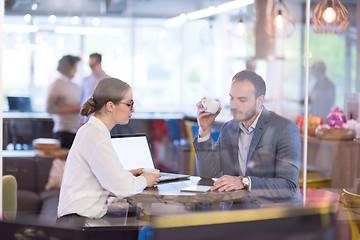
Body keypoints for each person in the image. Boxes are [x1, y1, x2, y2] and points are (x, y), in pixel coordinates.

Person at [57, 78, 160, 224]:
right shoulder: (96, 136)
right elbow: (122, 188)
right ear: (110, 106)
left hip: (77, 220)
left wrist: (126, 175)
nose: (133, 109)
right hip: (79, 225)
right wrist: (145, 179)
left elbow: (105, 177)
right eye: (129, 104)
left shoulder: (92, 130)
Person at [194, 70, 301, 198]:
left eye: (242, 100)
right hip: (236, 209)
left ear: (259, 100)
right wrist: (204, 130)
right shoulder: (228, 128)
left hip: (271, 211)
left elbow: (288, 186)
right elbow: (206, 172)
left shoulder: (285, 129)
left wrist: (244, 182)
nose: (234, 105)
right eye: (232, 98)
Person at [46, 55, 81, 149]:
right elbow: (49, 109)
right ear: (69, 67)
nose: (76, 71)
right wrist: (71, 109)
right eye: (75, 68)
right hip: (64, 131)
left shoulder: (74, 85)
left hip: (76, 130)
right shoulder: (56, 85)